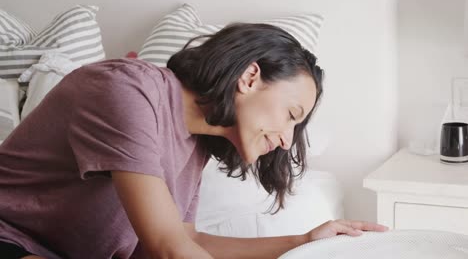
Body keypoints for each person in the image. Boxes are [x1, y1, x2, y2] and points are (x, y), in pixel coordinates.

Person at [0, 23, 388, 259]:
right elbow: (169, 249)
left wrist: (305, 241)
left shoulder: (195, 143)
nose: (287, 141)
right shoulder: (126, 90)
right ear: (250, 78)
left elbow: (186, 239)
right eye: (291, 115)